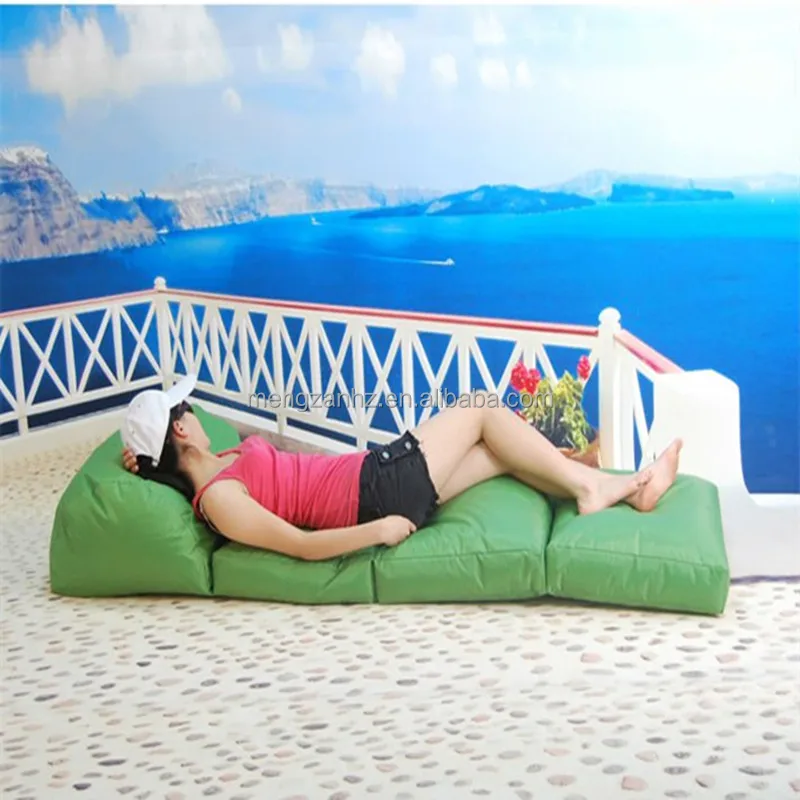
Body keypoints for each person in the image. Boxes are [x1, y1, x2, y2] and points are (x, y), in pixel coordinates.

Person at [120, 374, 682, 562]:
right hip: (376, 493)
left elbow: (192, 455)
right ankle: (590, 485)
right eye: (186, 411)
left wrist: (143, 464)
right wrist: (379, 531)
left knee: (497, 454)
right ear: (180, 432)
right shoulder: (219, 499)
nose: (195, 413)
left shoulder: (221, 461)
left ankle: (616, 487)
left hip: (374, 476)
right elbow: (299, 545)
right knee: (482, 407)